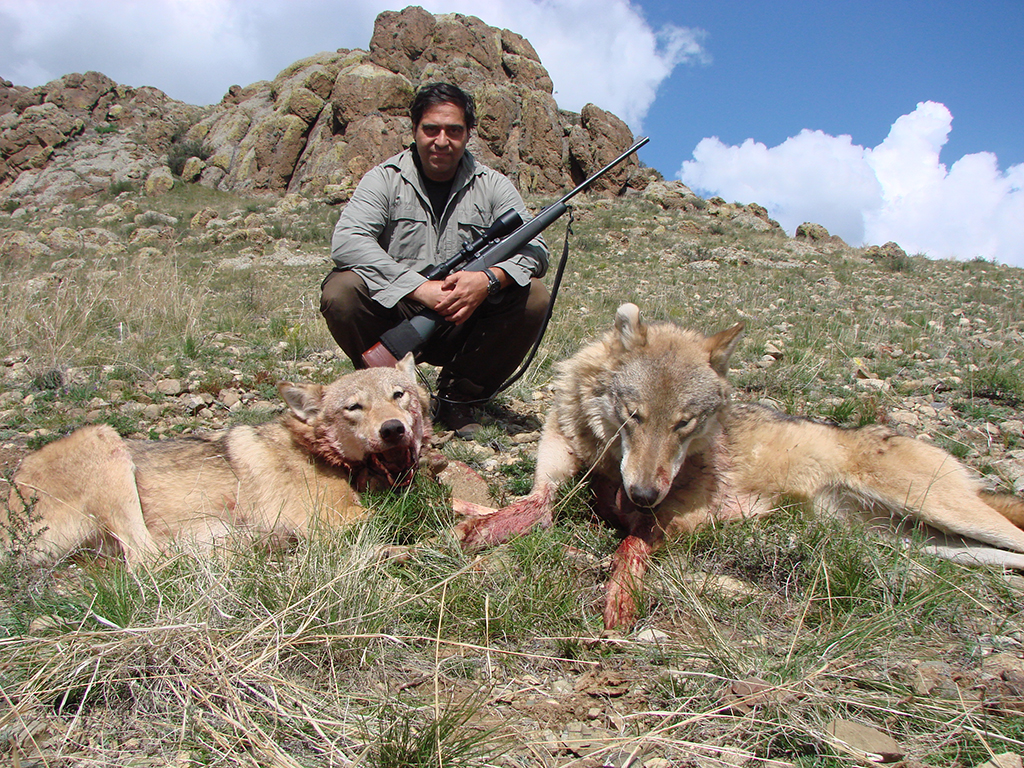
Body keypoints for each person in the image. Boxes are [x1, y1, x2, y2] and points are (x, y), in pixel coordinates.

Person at [320, 82, 550, 436]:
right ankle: (383, 393)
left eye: (454, 130)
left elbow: (536, 249)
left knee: (534, 295)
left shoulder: (494, 186)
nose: (442, 140)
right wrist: (417, 288)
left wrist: (488, 280)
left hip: (468, 314)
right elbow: (348, 241)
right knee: (342, 290)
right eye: (431, 129)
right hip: (398, 310)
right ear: (414, 130)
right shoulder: (383, 179)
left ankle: (460, 399)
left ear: (468, 134)